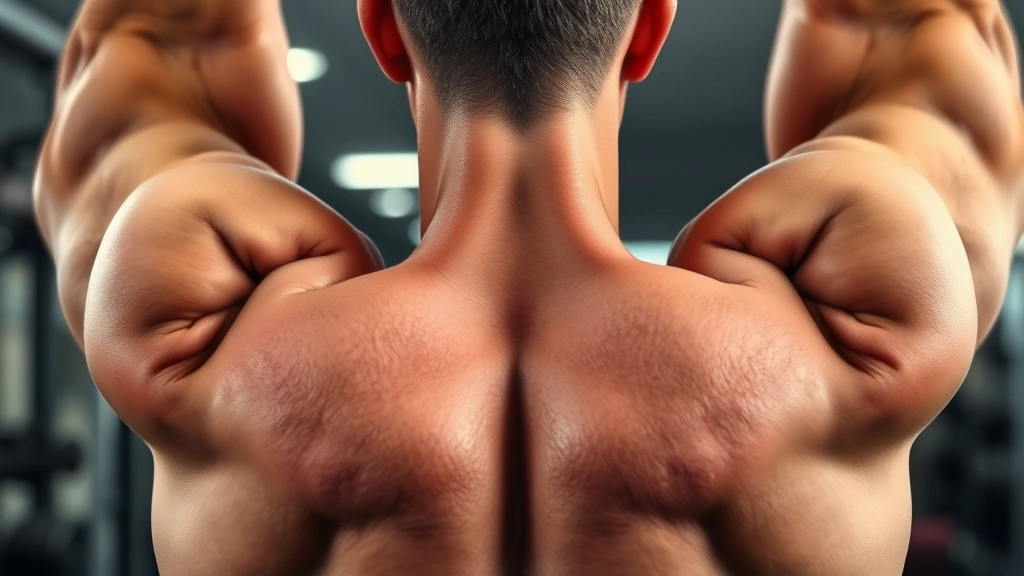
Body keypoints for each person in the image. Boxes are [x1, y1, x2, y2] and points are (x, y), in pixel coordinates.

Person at [33, 0, 1024, 573]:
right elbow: (917, 30)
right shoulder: (841, 347)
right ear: (650, 28)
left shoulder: (209, 346)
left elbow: (158, 42)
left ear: (381, 29)